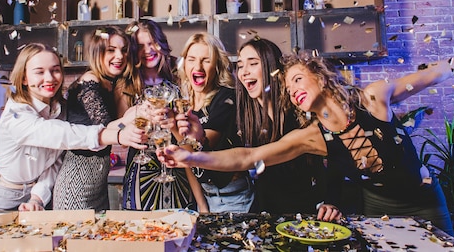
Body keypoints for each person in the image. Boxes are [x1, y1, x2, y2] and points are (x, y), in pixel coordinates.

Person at [161, 37, 454, 234]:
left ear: (319, 76)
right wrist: (191, 156)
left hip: (425, 201)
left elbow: (428, 76)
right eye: (287, 85)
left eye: (298, 80)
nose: (291, 90)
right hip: (377, 208)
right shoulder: (314, 135)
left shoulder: (374, 98)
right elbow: (248, 156)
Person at [179, 37, 339, 218]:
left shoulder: (299, 107)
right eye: (240, 66)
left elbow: (334, 154)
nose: (244, 72)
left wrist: (331, 199)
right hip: (267, 213)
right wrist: (200, 141)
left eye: (253, 64)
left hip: (310, 213)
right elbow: (227, 168)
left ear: (272, 68)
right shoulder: (243, 115)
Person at [0, 43, 129, 212]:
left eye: (55, 70)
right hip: (2, 200)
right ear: (24, 78)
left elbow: (54, 163)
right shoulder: (16, 114)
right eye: (40, 72)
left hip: (38, 199)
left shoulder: (59, 109)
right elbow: (60, 134)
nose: (49, 78)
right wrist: (115, 135)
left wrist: (37, 198)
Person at [52, 27, 134, 210]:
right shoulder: (90, 80)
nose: (119, 56)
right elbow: (104, 128)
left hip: (99, 181)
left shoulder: (112, 84)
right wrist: (134, 114)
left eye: (123, 50)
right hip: (76, 183)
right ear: (98, 52)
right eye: (111, 50)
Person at [176, 33, 254, 213]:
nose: (198, 66)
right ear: (184, 64)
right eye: (192, 59)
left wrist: (172, 125)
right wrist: (202, 205)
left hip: (234, 198)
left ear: (217, 65)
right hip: (205, 197)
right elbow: (189, 162)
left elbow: (200, 146)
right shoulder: (185, 101)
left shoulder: (227, 98)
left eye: (206, 60)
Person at [121, 19, 194, 211]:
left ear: (161, 43)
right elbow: (119, 130)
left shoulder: (179, 79)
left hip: (177, 168)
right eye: (140, 46)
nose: (148, 50)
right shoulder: (127, 85)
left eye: (152, 43)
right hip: (141, 170)